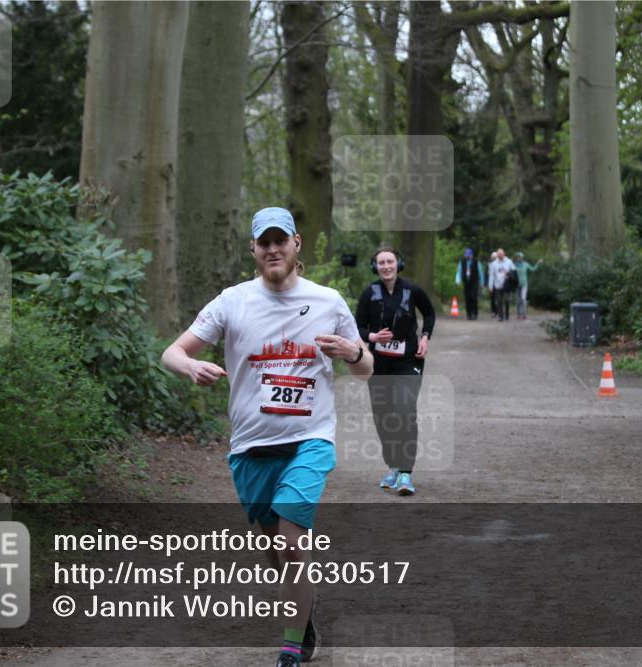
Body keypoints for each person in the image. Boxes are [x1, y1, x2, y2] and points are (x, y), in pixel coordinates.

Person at [161, 207, 372, 667]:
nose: (273, 249)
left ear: (297, 243)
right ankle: (304, 615)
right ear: (254, 249)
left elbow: (366, 368)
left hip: (310, 439)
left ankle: (291, 648)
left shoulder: (328, 301)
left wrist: (354, 352)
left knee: (292, 541)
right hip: (251, 445)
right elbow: (171, 352)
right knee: (274, 546)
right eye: (264, 242)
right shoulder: (232, 301)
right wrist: (190, 365)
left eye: (281, 241)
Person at [355, 246, 436, 496]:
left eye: (390, 261)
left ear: (398, 264)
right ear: (375, 267)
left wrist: (425, 337)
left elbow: (429, 313)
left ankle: (405, 473)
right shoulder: (369, 293)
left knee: (404, 410)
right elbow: (356, 326)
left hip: (408, 361)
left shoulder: (412, 290)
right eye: (381, 263)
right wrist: (372, 336)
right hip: (378, 364)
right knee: (384, 416)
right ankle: (392, 466)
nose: (386, 266)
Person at [454, 247, 484, 320]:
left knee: (473, 297)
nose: (467, 257)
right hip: (466, 282)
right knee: (467, 298)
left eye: (468, 255)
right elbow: (459, 272)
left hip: (474, 282)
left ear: (472, 255)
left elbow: (481, 273)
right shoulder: (462, 262)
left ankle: (475, 313)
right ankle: (469, 314)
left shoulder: (476, 262)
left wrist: (482, 283)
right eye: (466, 255)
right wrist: (457, 280)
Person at [513, 251, 541, 319]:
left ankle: (524, 314)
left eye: (521, 257)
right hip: (517, 285)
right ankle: (518, 314)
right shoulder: (514, 265)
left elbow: (533, 269)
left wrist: (538, 263)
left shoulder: (525, 264)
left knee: (523, 299)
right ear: (516, 258)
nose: (520, 258)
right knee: (518, 301)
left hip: (524, 284)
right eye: (519, 257)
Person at [492, 248, 515, 321]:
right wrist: (491, 285)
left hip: (506, 284)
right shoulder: (494, 263)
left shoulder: (509, 261)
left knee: (506, 300)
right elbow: (492, 275)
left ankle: (507, 313)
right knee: (499, 301)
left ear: (504, 254)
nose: (500, 256)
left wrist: (509, 274)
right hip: (498, 284)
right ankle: (500, 316)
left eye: (501, 254)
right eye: (498, 254)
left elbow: (514, 270)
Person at [487, 251, 499, 318]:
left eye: (495, 257)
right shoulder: (489, 264)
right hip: (491, 283)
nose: (494, 258)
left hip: (498, 283)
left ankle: (498, 311)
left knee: (498, 298)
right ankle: (493, 311)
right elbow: (487, 274)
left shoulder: (499, 264)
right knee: (492, 299)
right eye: (493, 257)